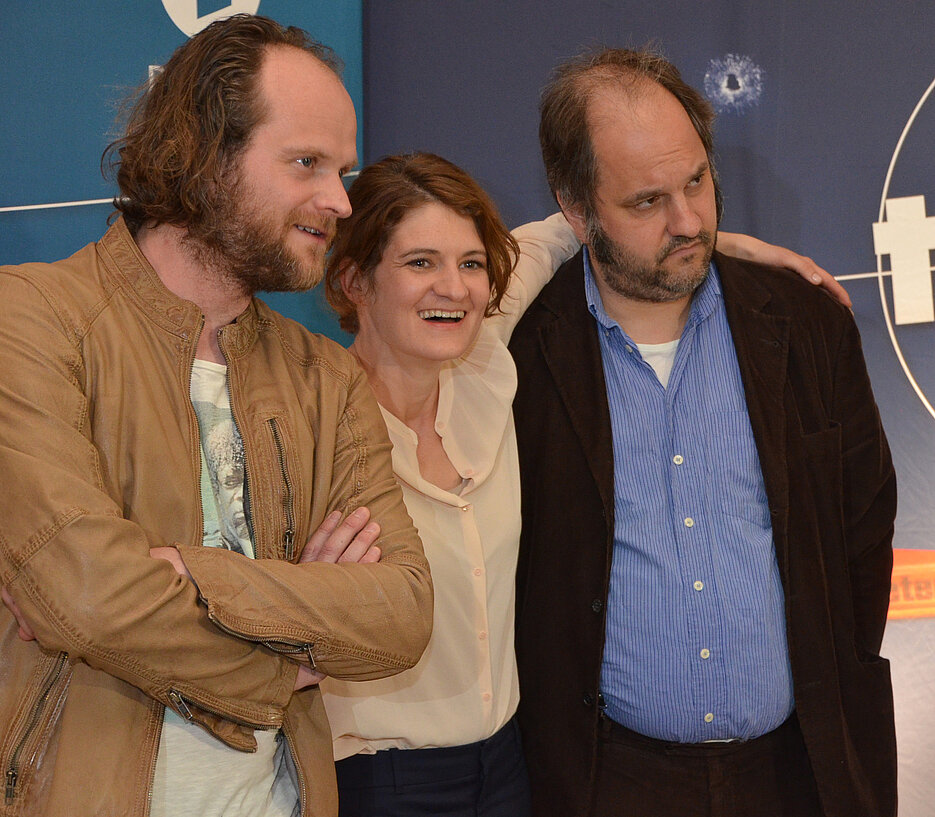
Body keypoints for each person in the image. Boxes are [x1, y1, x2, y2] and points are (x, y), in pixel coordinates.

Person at [317, 152, 853, 817]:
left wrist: (714, 249)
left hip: (510, 769)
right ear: (352, 279)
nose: (452, 288)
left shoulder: (483, 362)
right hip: (377, 779)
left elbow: (562, 232)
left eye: (471, 263)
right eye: (418, 262)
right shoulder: (312, 428)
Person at [0, 15, 432, 817]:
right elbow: (88, 594)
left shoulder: (327, 378)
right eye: (306, 162)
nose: (339, 200)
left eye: (342, 169)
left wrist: (186, 571)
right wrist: (288, 654)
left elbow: (401, 613)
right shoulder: (27, 319)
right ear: (202, 155)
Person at [509, 48, 896, 817]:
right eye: (646, 200)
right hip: (606, 780)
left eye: (695, 181)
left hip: (801, 771)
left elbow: (861, 528)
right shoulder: (519, 353)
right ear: (575, 209)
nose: (689, 220)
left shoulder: (804, 321)